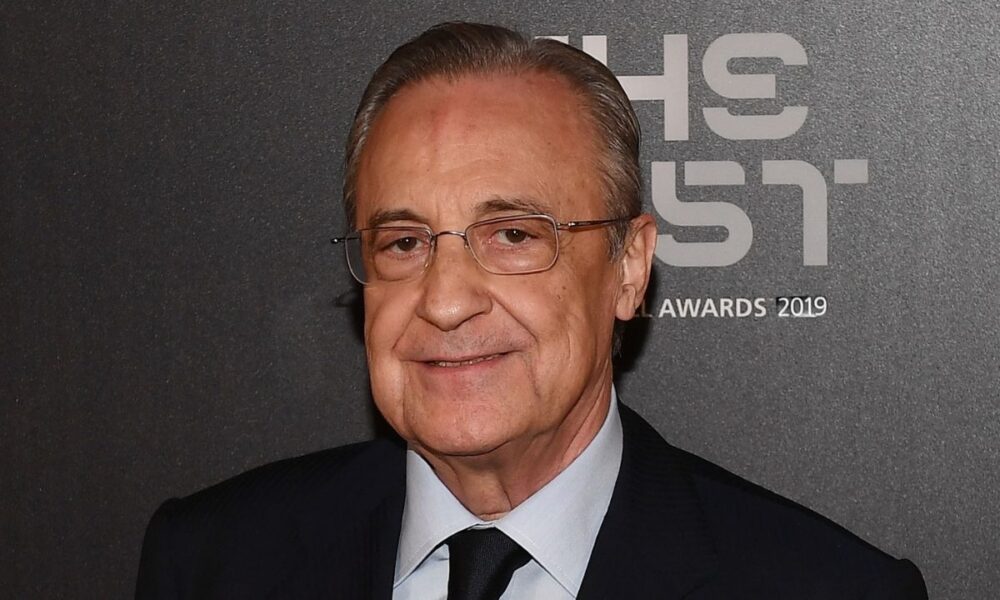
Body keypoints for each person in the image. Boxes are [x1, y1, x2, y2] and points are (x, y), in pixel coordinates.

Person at [136, 22, 927, 599]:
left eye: (513, 235)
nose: (446, 301)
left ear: (628, 267)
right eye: (404, 242)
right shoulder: (211, 565)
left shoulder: (826, 587)